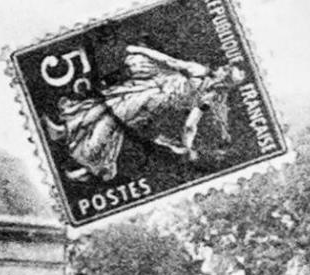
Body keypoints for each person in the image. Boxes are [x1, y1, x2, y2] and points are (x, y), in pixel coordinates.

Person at [43, 45, 247, 182]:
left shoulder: (208, 96)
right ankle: (68, 137)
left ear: (227, 83)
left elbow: (190, 125)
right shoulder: (199, 72)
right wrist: (141, 50)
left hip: (151, 101)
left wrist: (188, 147)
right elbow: (169, 61)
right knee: (107, 107)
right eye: (227, 68)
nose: (223, 70)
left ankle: (84, 156)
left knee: (110, 117)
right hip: (149, 88)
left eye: (227, 74)